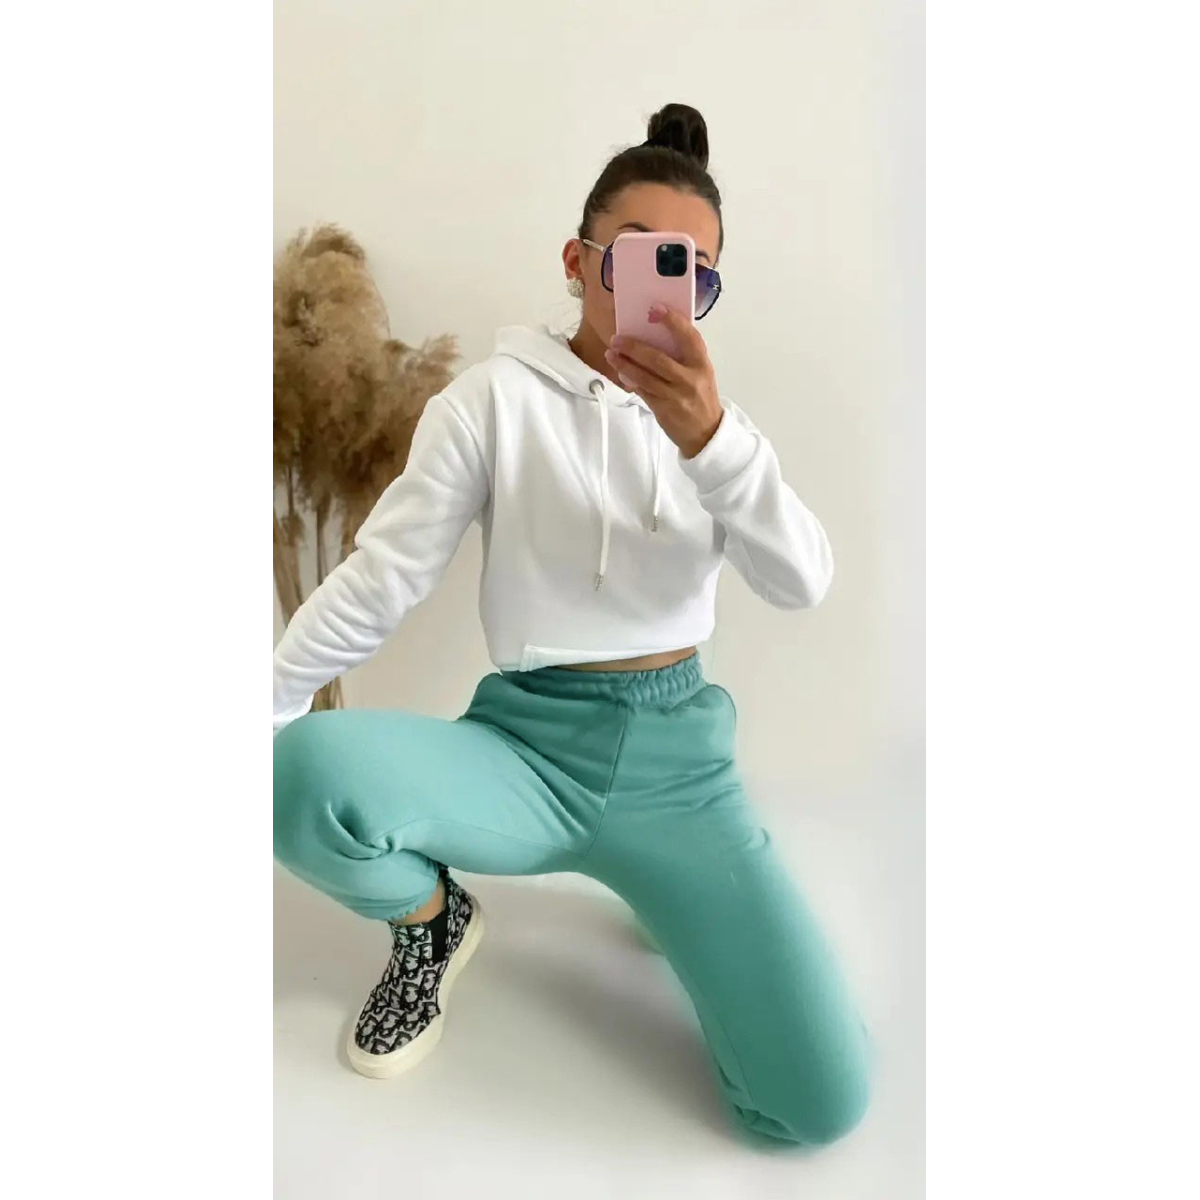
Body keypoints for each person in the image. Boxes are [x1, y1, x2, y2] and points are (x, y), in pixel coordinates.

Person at [273, 103, 871, 1148]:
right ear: (578, 259)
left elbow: (803, 582)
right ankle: (432, 924)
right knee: (301, 775)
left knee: (817, 1106)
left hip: (681, 770)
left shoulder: (719, 430)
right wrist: (264, 703)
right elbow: (383, 579)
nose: (663, 285)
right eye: (637, 255)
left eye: (693, 271)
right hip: (524, 752)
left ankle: (674, 891)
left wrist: (713, 445)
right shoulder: (488, 403)